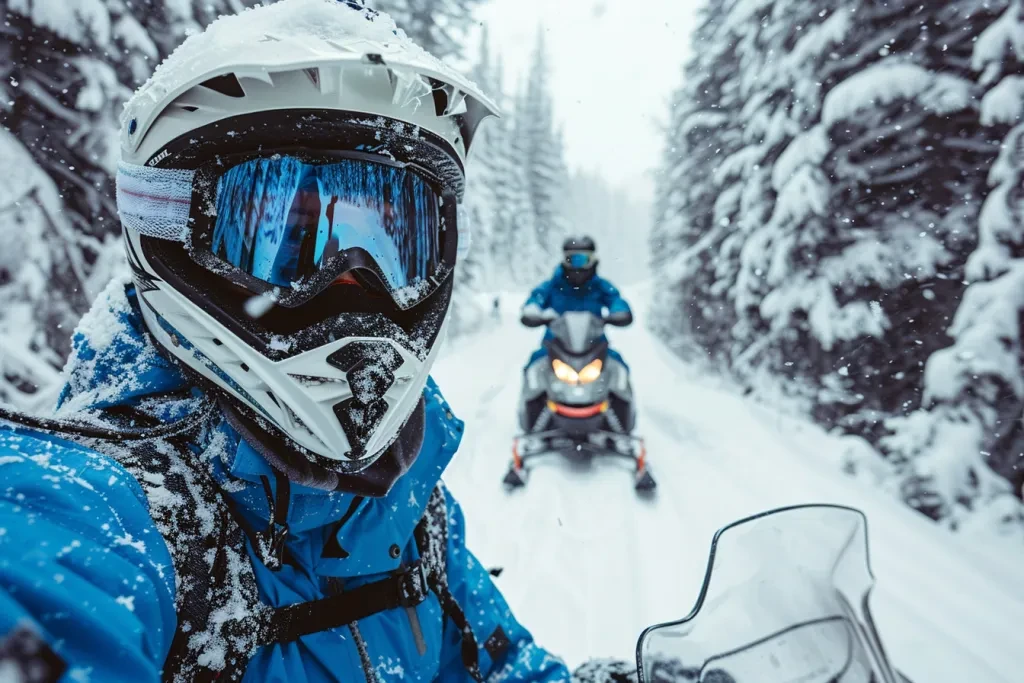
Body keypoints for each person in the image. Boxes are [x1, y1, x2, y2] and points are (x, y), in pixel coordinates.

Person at [0, 2, 570, 682]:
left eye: (397, 241)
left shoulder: (407, 506)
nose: (354, 283)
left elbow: (497, 664)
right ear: (170, 233)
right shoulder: (94, 513)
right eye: (287, 236)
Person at [520, 235, 634, 369]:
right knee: (533, 368)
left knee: (618, 368)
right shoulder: (552, 286)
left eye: (584, 259)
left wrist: (619, 312)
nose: (577, 266)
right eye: (572, 259)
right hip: (554, 346)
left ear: (593, 260)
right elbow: (536, 299)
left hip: (596, 347)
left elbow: (615, 299)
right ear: (564, 260)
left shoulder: (600, 286)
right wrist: (532, 312)